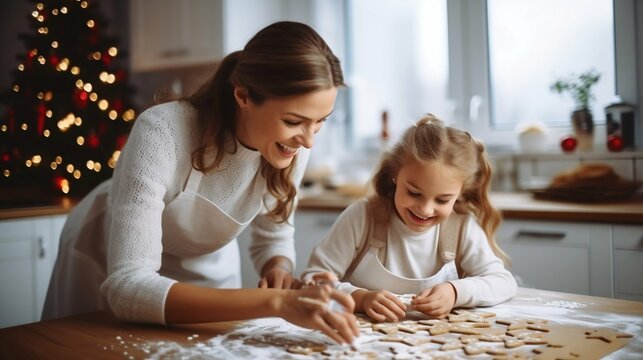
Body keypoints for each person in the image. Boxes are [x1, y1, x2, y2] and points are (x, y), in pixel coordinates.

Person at [42, 21, 358, 345]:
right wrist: (277, 303)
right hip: (105, 253)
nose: (308, 141)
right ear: (244, 96)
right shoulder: (162, 132)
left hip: (207, 262)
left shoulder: (291, 146)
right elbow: (128, 287)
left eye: (320, 123)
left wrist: (277, 267)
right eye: (293, 121)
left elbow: (274, 235)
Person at [302, 114, 517, 322]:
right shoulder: (363, 217)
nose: (425, 209)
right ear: (395, 175)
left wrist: (455, 291)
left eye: (442, 200)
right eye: (414, 193)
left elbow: (503, 282)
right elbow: (312, 280)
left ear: (460, 193)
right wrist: (360, 298)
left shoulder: (461, 228)